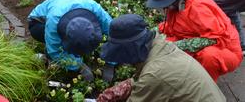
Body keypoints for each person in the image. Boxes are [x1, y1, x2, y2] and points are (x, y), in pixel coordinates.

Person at [97, 14, 226, 102]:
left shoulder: (154, 73)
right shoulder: (159, 46)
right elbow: (147, 77)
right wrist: (121, 88)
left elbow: (152, 79)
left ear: (129, 50)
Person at [146, 0, 243, 81]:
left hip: (226, 48)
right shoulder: (177, 4)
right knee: (162, 43)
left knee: (209, 56)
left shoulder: (198, 8)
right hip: (196, 37)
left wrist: (177, 45)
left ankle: (204, 84)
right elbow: (169, 26)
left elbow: (216, 39)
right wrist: (151, 34)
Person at [28, 0, 113, 82]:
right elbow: (55, 50)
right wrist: (79, 66)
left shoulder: (95, 9)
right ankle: (48, 56)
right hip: (37, 23)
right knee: (52, 45)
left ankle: (74, 50)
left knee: (79, 42)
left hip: (70, 6)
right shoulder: (54, 20)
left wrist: (110, 63)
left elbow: (115, 34)